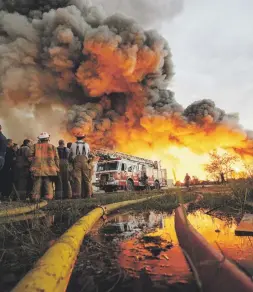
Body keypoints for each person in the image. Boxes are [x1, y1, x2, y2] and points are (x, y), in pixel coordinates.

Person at [29, 132, 59, 201]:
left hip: (37, 169)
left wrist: (33, 164)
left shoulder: (34, 146)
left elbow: (29, 157)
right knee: (48, 184)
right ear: (48, 138)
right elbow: (56, 158)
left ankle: (35, 198)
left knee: (37, 183)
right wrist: (57, 168)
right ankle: (48, 198)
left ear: (40, 139)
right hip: (49, 169)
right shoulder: (52, 147)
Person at [69, 132, 91, 198]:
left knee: (77, 179)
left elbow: (70, 155)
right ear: (83, 137)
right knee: (87, 179)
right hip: (85, 162)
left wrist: (71, 162)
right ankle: (88, 194)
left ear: (76, 138)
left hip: (76, 163)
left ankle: (77, 195)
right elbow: (89, 154)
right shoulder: (87, 145)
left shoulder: (73, 145)